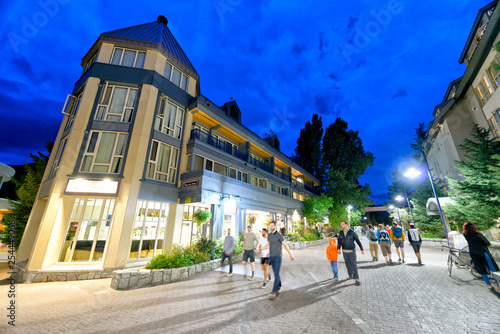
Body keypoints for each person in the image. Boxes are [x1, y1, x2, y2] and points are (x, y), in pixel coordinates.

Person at [462, 222, 499, 290]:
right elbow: (488, 243)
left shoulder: (465, 235)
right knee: (493, 268)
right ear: (474, 227)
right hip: (483, 252)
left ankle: (489, 285)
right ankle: (498, 285)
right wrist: (483, 235)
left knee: (481, 269)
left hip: (474, 253)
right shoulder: (478, 234)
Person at [267, 220, 294, 300]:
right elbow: (268, 245)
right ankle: (279, 285)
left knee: (275, 274)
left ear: (275, 226)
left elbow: (285, 245)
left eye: (272, 226)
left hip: (278, 257)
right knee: (276, 273)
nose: (271, 227)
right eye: (270, 226)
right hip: (271, 257)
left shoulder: (279, 235)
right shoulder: (269, 235)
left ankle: (274, 291)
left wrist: (290, 254)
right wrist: (262, 248)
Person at [337, 220, 364, 285]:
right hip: (344, 251)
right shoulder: (340, 232)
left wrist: (361, 248)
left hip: (351, 251)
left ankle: (356, 278)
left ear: (346, 225)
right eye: (341, 224)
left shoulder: (352, 232)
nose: (341, 225)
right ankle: (350, 275)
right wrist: (338, 248)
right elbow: (339, 241)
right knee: (347, 264)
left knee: (353, 264)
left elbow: (357, 240)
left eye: (343, 224)